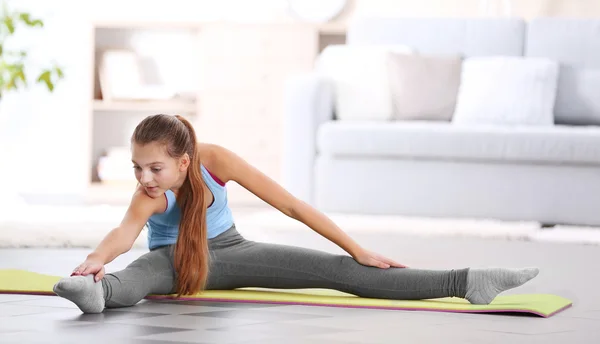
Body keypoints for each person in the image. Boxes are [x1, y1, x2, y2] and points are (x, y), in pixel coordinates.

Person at [53, 114, 539, 314]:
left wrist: (356, 249)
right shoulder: (149, 194)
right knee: (137, 275)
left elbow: (289, 204)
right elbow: (124, 232)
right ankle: (95, 294)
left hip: (233, 253)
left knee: (337, 272)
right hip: (175, 261)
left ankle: (467, 281)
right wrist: (97, 258)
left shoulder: (216, 161)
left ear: (185, 160)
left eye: (154, 167)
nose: (145, 177)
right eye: (137, 167)